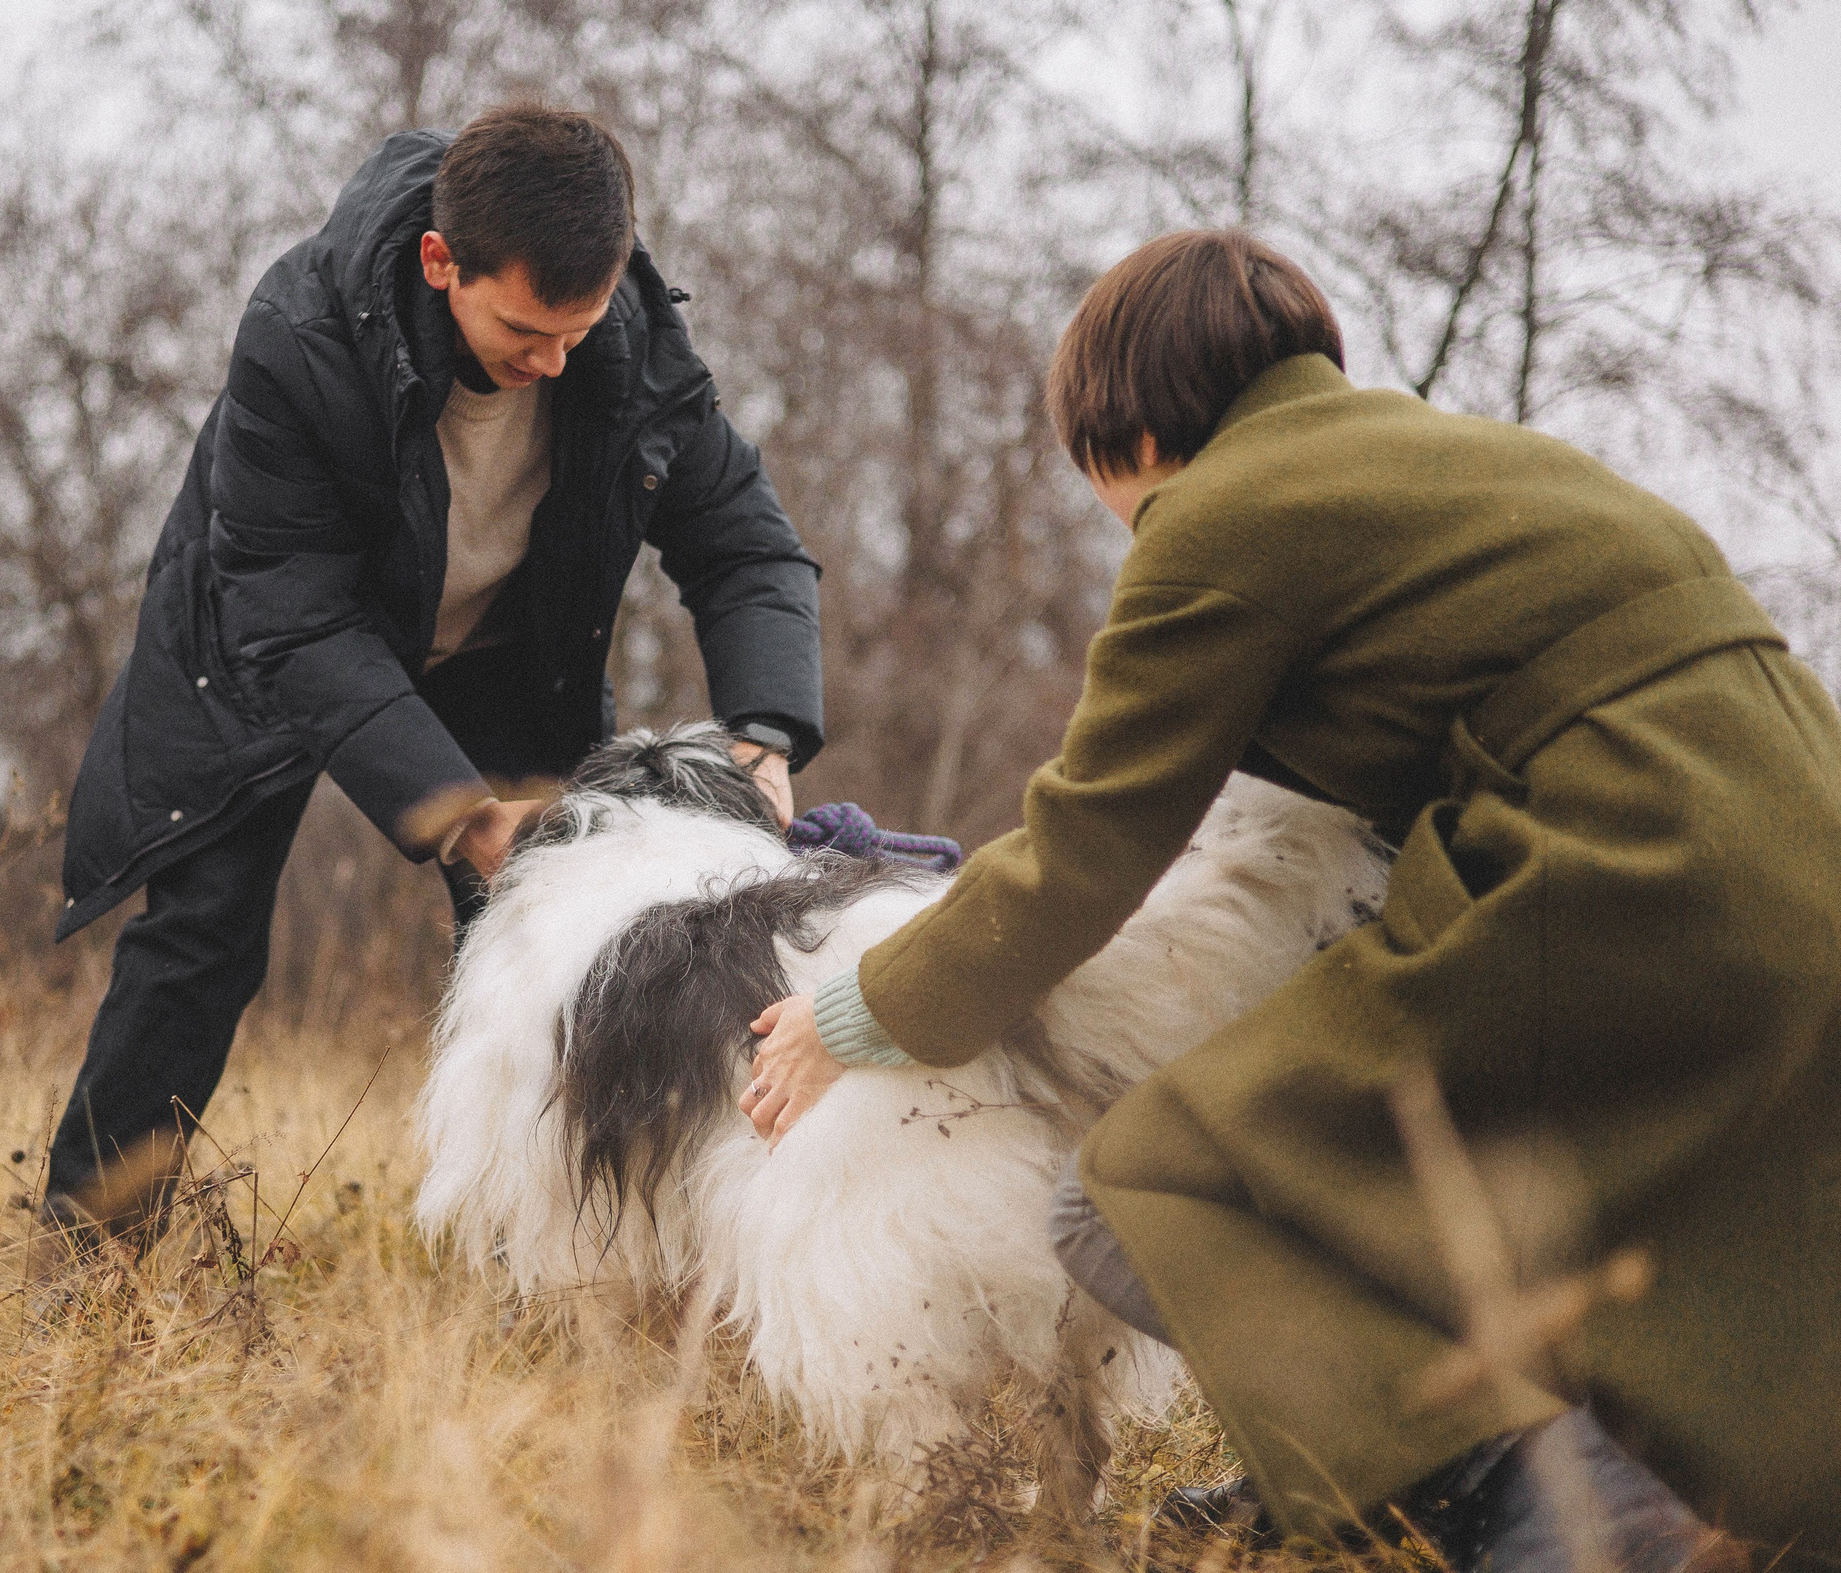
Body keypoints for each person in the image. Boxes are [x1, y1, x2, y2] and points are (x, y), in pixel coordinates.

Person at [742, 231, 1839, 1568]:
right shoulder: (1464, 463)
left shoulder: (1221, 515)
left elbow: (1086, 849)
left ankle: (1521, 1494)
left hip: (1624, 874)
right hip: (1788, 863)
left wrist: (850, 1015)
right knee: (1594, 1211)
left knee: (1157, 1179)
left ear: (1131, 430)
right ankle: (1439, 1493)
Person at [41, 105, 823, 1259]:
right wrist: (455, 810)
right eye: (522, 330)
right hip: (262, 648)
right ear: (439, 263)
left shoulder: (635, 349)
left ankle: (549, 1258)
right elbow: (291, 615)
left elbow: (746, 548)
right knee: (201, 938)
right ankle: (84, 1253)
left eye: (580, 324)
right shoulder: (297, 334)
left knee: (566, 937)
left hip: (504, 656)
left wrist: (763, 730)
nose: (553, 360)